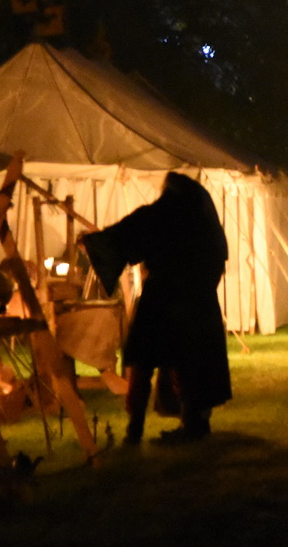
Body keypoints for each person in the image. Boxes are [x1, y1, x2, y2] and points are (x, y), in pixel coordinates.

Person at [80, 171, 232, 444]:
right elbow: (218, 258)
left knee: (146, 362)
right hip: (196, 303)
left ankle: (138, 430)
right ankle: (192, 424)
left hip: (163, 300)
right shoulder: (201, 222)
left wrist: (94, 243)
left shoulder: (160, 215)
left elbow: (127, 235)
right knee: (188, 364)